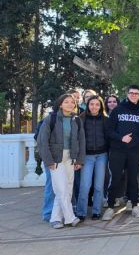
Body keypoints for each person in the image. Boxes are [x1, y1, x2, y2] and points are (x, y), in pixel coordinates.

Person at [37, 94, 85, 229]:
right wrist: (48, 160)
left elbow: (81, 141)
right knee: (62, 190)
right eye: (66, 102)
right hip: (56, 159)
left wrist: (79, 160)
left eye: (72, 102)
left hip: (71, 158)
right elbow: (42, 141)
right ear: (60, 104)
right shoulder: (50, 119)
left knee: (67, 190)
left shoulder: (77, 120)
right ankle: (70, 218)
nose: (70, 104)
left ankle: (55, 219)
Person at [102, 85, 139, 221]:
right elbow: (109, 131)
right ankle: (110, 206)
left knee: (133, 179)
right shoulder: (117, 111)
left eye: (136, 93)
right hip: (117, 151)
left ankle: (134, 205)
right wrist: (121, 138)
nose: (134, 95)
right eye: (131, 93)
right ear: (127, 94)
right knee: (116, 178)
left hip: (135, 153)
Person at [76, 95, 109, 221]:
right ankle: (81, 212)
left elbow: (109, 137)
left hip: (102, 156)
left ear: (100, 106)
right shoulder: (80, 119)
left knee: (99, 186)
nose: (94, 107)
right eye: (91, 104)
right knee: (85, 185)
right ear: (87, 105)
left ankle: (96, 211)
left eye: (97, 104)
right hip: (87, 156)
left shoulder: (106, 119)